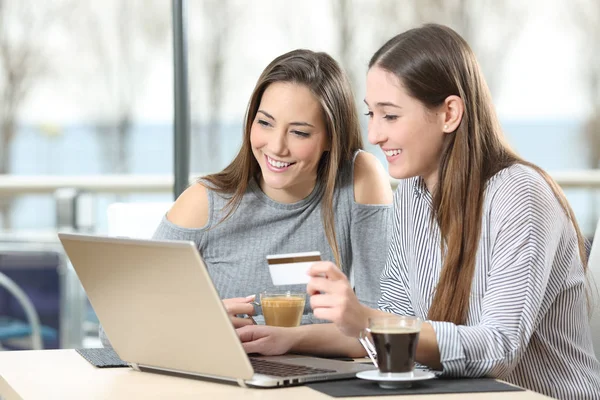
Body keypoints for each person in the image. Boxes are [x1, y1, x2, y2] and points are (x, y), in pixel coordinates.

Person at [237, 25, 600, 399]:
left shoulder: (520, 195)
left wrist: (367, 319)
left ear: (449, 113)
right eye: (371, 115)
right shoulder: (413, 193)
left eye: (390, 116)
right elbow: (392, 322)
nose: (375, 135)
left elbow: (498, 349)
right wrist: (288, 339)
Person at [99, 49, 393, 346]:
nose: (277, 147)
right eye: (265, 123)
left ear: (331, 136)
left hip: (319, 380)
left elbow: (385, 328)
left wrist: (290, 338)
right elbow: (113, 331)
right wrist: (201, 321)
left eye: (300, 133)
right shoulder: (204, 202)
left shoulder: (359, 179)